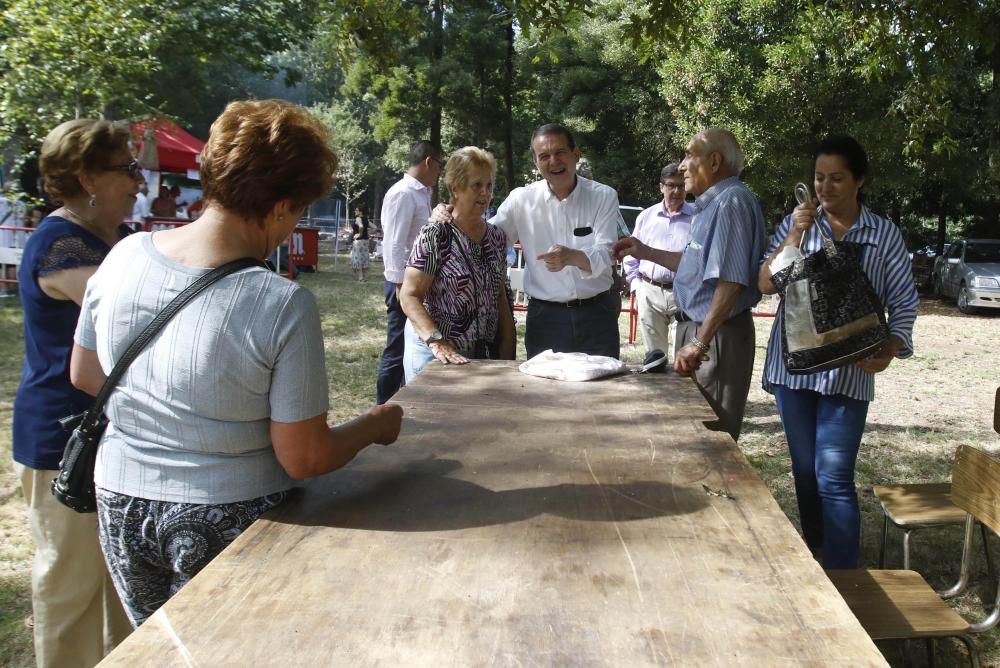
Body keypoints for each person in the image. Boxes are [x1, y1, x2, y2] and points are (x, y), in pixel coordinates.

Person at [69, 99, 404, 627]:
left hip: (119, 501)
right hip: (229, 515)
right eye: (296, 211)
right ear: (279, 208)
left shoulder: (122, 258)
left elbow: (86, 375)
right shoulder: (279, 303)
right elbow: (305, 456)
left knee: (159, 651)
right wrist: (375, 426)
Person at [758, 135, 918, 569]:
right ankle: (818, 555)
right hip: (796, 372)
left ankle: (847, 578)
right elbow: (766, 283)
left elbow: (903, 302)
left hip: (850, 371)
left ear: (859, 180)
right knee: (806, 475)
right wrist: (793, 233)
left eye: (837, 179)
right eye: (819, 178)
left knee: (834, 477)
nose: (825, 188)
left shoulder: (882, 234)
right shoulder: (800, 226)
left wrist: (892, 346)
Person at [12, 118, 137, 667]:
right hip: (65, 436)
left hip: (118, 432)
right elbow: (135, 310)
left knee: (118, 580)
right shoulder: (59, 244)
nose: (140, 179)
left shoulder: (124, 241)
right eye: (126, 168)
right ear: (87, 176)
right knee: (70, 584)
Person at [613, 128, 765, 441]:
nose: (682, 166)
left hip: (715, 337)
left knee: (710, 435)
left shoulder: (731, 203)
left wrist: (700, 341)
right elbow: (696, 267)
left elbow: (731, 281)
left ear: (714, 162)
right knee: (691, 431)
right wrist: (645, 251)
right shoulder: (712, 205)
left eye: (689, 155)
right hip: (703, 332)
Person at [434, 124, 624, 359]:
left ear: (576, 154)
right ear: (536, 163)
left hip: (597, 313)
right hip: (546, 318)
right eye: (544, 156)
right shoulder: (521, 200)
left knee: (601, 391)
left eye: (560, 152)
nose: (554, 161)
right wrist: (447, 211)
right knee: (544, 392)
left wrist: (571, 256)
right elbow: (484, 237)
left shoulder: (603, 196)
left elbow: (607, 256)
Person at [399, 146, 515, 379]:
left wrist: (507, 351)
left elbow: (500, 297)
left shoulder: (496, 237)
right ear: (455, 188)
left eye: (489, 185)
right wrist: (436, 341)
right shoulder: (436, 234)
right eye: (477, 185)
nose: (485, 193)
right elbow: (409, 295)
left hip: (481, 356)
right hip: (435, 355)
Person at [376, 140, 444, 404]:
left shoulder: (421, 193)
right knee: (396, 348)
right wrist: (398, 285)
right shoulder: (402, 193)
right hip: (403, 284)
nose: (439, 172)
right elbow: (393, 242)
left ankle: (402, 402)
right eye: (439, 165)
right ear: (428, 162)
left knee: (410, 347)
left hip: (417, 283)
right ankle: (383, 407)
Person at [622, 163, 695, 359]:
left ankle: (682, 391)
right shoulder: (646, 216)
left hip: (684, 293)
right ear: (661, 186)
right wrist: (636, 286)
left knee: (684, 358)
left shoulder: (698, 217)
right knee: (655, 358)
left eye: (681, 186)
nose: (677, 191)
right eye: (671, 185)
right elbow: (631, 253)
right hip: (650, 291)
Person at [351, 205, 371, 282]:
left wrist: (360, 234)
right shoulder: (366, 219)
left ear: (360, 212)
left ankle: (360, 277)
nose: (355, 211)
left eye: (356, 210)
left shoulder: (358, 218)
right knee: (364, 258)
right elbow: (375, 227)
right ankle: (364, 277)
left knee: (358, 258)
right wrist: (368, 233)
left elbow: (361, 226)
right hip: (366, 241)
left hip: (359, 242)